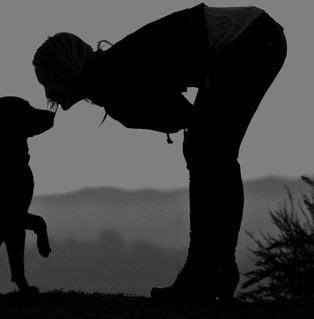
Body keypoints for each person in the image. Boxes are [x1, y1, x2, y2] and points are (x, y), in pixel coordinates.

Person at [33, 3, 287, 303]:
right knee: (210, 151)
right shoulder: (111, 80)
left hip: (248, 40)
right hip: (252, 38)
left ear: (65, 67)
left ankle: (206, 272)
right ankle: (215, 269)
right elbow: (179, 111)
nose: (48, 93)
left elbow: (179, 113)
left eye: (48, 81)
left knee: (209, 151)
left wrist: (189, 131)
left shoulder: (114, 75)